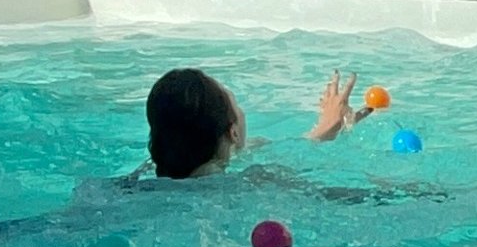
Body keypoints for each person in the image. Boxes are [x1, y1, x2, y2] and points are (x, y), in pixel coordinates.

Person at [146, 68, 369, 179]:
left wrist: (324, 130)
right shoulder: (250, 184)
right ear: (233, 133)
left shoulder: (144, 177)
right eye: (237, 106)